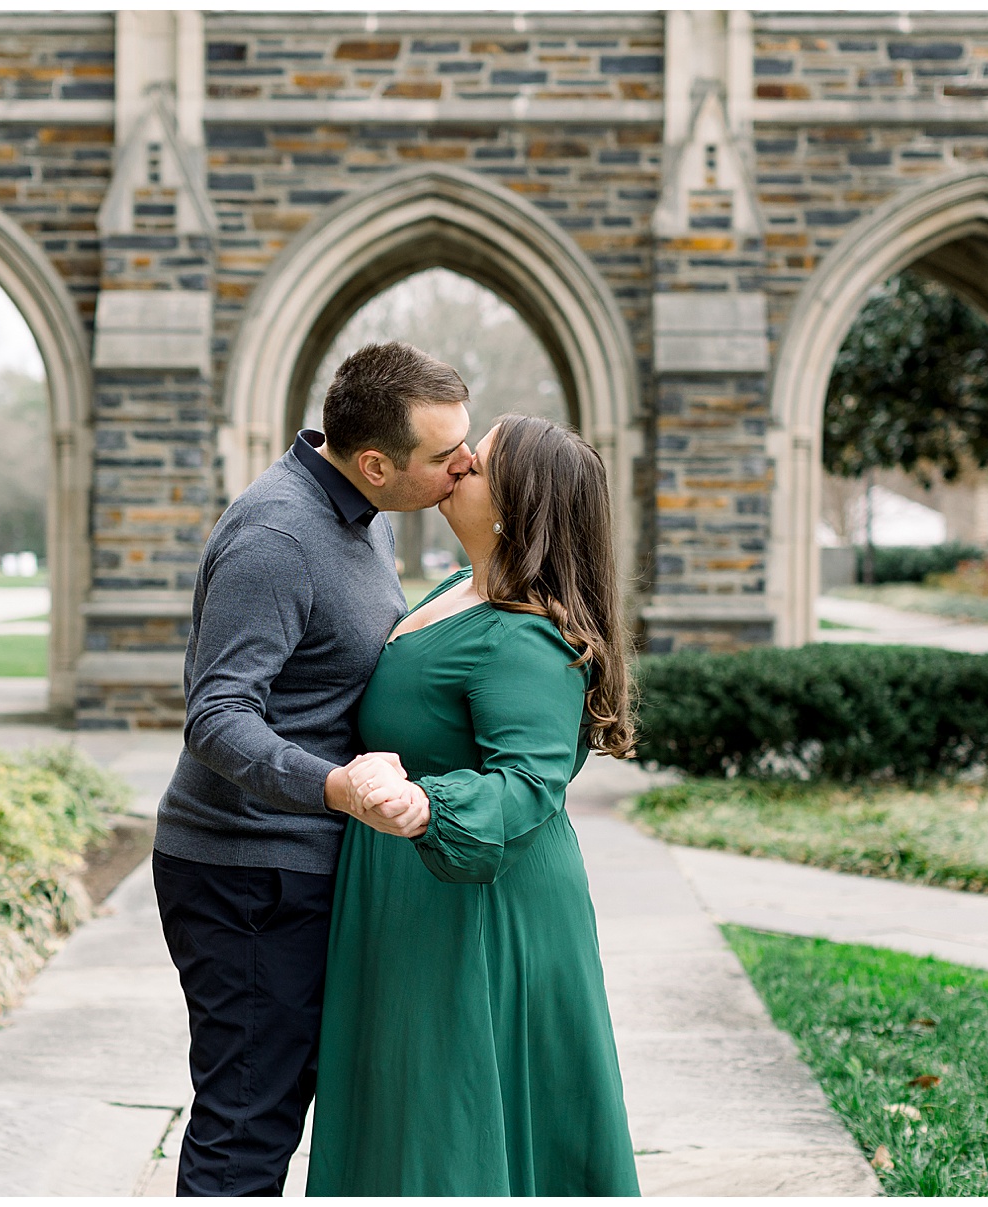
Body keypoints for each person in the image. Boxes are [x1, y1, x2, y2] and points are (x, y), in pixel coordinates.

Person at [151, 342, 471, 1196]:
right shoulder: (278, 536)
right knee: (248, 1118)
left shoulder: (367, 515)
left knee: (282, 1099)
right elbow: (216, 718)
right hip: (245, 874)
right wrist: (334, 786)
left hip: (306, 864)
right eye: (445, 456)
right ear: (375, 462)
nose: (464, 465)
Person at [307, 414, 642, 1197]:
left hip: (476, 909)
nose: (457, 463)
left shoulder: (526, 636)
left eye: (479, 463)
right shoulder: (462, 586)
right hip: (413, 896)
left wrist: (424, 805)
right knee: (406, 1113)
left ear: (517, 506)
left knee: (449, 1121)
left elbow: (529, 784)